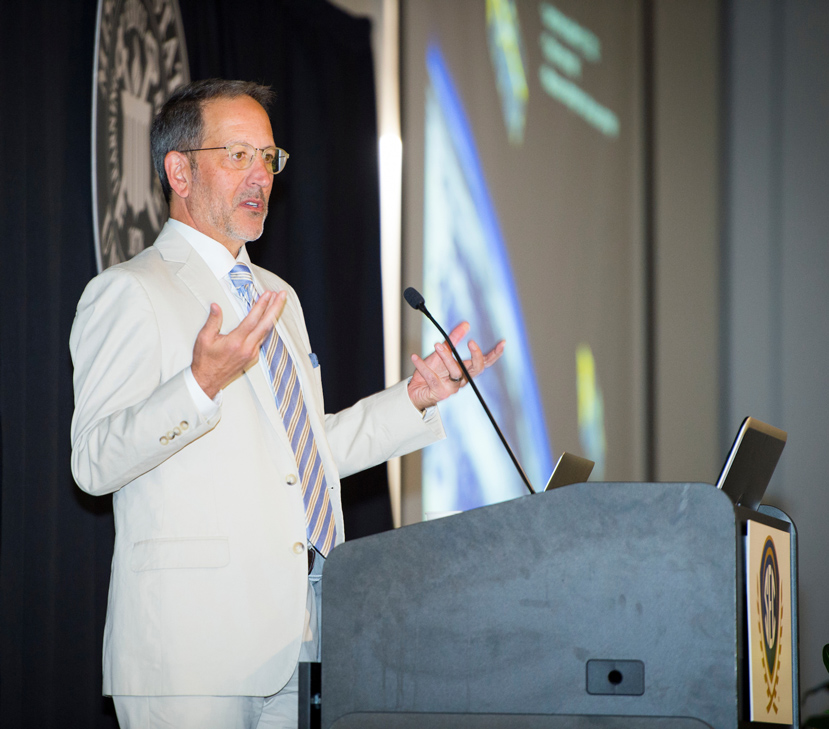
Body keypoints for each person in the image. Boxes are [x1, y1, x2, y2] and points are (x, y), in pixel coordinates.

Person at [70, 78, 504, 729]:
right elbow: (94, 462)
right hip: (191, 654)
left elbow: (304, 452)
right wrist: (197, 385)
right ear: (178, 170)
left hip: (295, 638)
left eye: (268, 158)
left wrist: (413, 399)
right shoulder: (130, 292)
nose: (259, 176)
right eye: (236, 155)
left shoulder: (278, 295)